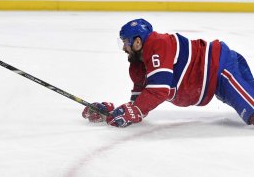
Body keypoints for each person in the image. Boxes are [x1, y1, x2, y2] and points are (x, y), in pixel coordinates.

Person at [82, 18, 254, 127]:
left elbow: (158, 90)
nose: (124, 48)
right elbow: (140, 104)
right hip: (214, 82)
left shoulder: (158, 44)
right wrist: (111, 112)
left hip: (223, 68)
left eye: (125, 43)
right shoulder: (137, 66)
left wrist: (133, 111)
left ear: (137, 42)